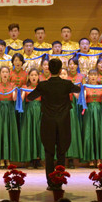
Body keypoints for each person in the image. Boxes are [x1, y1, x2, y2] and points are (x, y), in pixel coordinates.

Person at [27, 59, 80, 189]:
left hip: (48, 122)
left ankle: (50, 183)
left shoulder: (43, 85)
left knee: (49, 153)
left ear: (48, 70)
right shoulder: (67, 84)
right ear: (61, 70)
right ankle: (59, 182)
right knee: (61, 152)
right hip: (63, 122)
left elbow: (30, 97)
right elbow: (78, 89)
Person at [0, 66, 19, 168]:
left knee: (9, 132)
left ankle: (8, 158)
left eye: (6, 72)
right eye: (3, 72)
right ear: (0, 74)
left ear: (9, 74)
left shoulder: (13, 85)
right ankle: (1, 159)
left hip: (10, 110)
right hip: (0, 109)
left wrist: (15, 92)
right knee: (0, 133)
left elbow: (14, 98)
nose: (5, 74)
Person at [81, 69, 102, 168]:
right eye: (91, 75)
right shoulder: (85, 87)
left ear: (97, 77)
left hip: (99, 112)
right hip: (89, 112)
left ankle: (99, 159)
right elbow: (83, 100)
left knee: (98, 133)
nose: (93, 77)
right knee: (89, 133)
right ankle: (91, 159)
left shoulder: (101, 88)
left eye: (95, 75)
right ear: (88, 76)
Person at [19, 69, 43, 169]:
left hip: (39, 111)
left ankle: (38, 159)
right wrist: (22, 93)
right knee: (30, 133)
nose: (34, 77)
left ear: (38, 77)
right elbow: (21, 100)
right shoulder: (25, 87)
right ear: (29, 77)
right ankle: (30, 159)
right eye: (32, 75)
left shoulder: (41, 87)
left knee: (39, 134)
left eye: (35, 75)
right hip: (29, 112)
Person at [64, 58, 85, 168]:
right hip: (63, 106)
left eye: (74, 64)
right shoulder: (65, 77)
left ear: (77, 66)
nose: (72, 66)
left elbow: (82, 93)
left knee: (73, 131)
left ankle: (72, 158)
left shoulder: (81, 77)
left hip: (76, 105)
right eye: (70, 64)